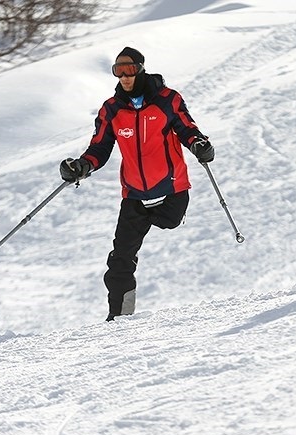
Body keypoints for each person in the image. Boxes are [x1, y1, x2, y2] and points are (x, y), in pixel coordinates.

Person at [60, 46, 214, 321]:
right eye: (118, 71)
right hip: (134, 194)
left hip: (171, 189)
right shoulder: (112, 109)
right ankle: (120, 317)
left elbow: (187, 130)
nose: (124, 77)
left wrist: (199, 145)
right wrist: (82, 167)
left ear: (141, 68)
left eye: (129, 70)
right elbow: (99, 149)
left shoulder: (168, 100)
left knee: (169, 222)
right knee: (120, 258)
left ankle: (168, 214)